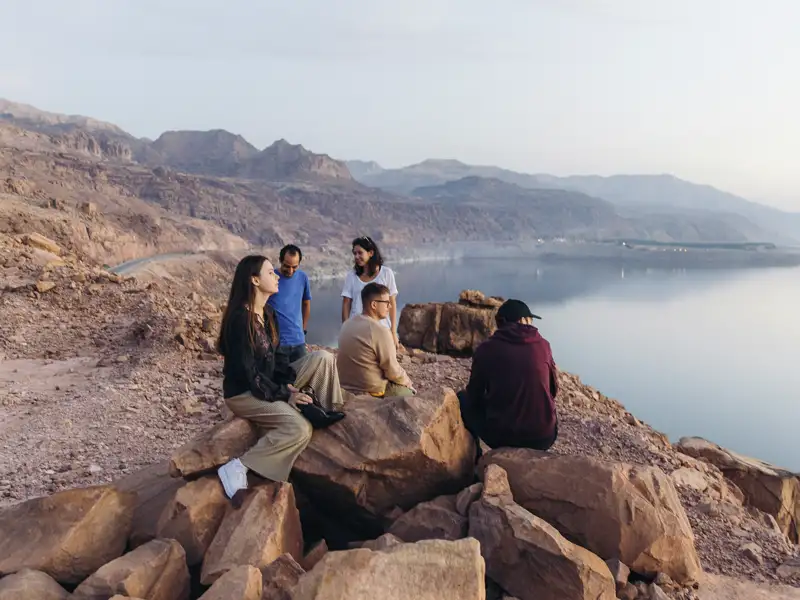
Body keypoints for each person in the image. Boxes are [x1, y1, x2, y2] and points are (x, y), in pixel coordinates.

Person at [215, 255, 344, 504]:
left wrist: (288, 383)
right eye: (270, 272)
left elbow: (279, 358)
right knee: (299, 428)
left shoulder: (268, 313)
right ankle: (239, 467)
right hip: (245, 393)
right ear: (254, 280)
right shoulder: (241, 321)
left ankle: (324, 409)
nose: (276, 276)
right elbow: (249, 374)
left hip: (269, 382)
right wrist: (287, 395)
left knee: (323, 358)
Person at [458, 299, 559, 453]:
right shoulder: (543, 345)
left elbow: (474, 395)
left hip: (502, 437)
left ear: (501, 323)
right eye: (529, 319)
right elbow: (553, 390)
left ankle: (473, 457)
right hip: (543, 437)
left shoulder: (486, 349)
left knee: (462, 399)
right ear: (522, 321)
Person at [337, 283, 415, 397]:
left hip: (343, 387)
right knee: (408, 394)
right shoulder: (380, 331)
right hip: (371, 391)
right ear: (374, 304)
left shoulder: (347, 324)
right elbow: (392, 370)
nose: (390, 306)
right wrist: (408, 382)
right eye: (387, 303)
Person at [341, 236, 399, 346]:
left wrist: (393, 332)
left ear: (370, 253)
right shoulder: (352, 276)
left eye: (360, 253)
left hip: (382, 330)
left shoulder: (386, 273)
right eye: (354, 253)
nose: (356, 257)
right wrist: (345, 330)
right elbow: (346, 303)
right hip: (357, 331)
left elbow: (392, 303)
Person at [267, 244, 312, 364]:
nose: (290, 271)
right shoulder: (271, 278)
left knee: (302, 379)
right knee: (279, 380)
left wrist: (303, 328)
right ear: (280, 260)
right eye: (287, 266)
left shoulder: (303, 277)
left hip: (298, 341)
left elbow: (306, 303)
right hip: (278, 343)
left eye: (294, 267)